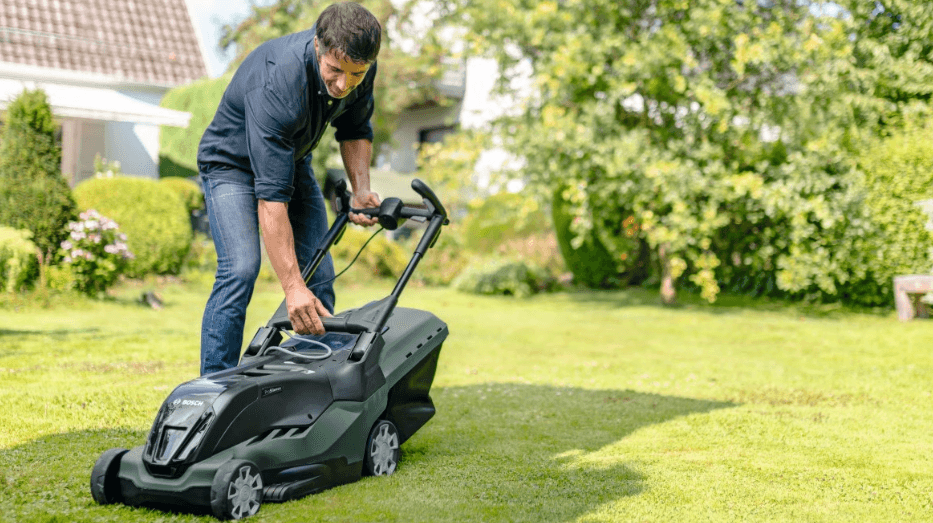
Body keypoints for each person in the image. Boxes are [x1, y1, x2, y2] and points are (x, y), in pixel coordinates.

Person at [196, 2, 382, 375]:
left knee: (320, 274)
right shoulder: (279, 80)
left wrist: (362, 190)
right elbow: (272, 200)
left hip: (292, 161)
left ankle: (302, 381)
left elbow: (355, 130)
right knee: (240, 269)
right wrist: (292, 286)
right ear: (318, 46)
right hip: (230, 166)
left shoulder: (359, 65)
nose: (343, 85)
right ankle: (212, 389)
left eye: (355, 75)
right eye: (334, 70)